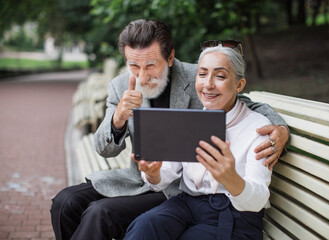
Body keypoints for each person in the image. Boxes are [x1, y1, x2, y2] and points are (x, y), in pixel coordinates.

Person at [50, 20, 289, 240]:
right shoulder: (121, 86)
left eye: (151, 65)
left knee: (99, 213)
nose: (142, 76)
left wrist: (280, 129)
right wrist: (118, 117)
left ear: (170, 57)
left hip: (177, 191)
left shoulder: (199, 76)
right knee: (65, 203)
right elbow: (104, 148)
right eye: (133, 65)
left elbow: (241, 102)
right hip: (143, 177)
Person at [124, 41, 271, 240]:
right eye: (202, 74)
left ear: (239, 84)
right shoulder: (190, 121)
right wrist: (153, 173)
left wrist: (231, 179)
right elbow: (164, 175)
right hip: (186, 204)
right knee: (144, 227)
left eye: (220, 76)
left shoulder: (258, 128)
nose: (208, 84)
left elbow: (258, 199)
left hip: (234, 213)